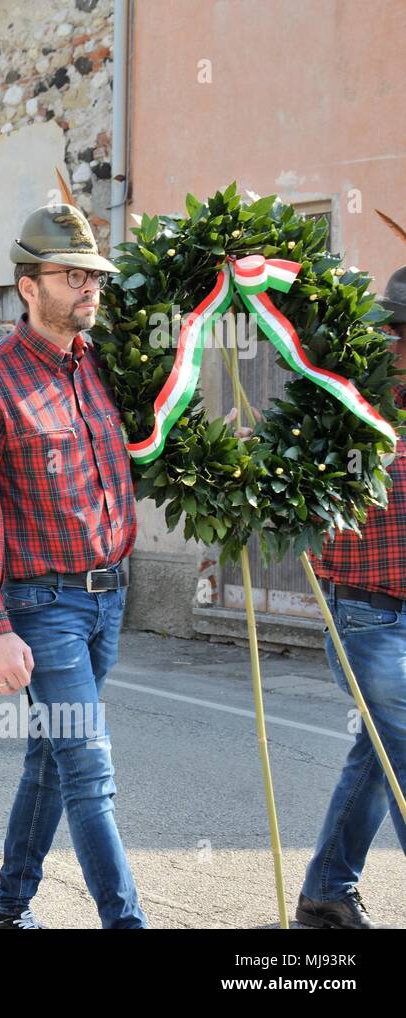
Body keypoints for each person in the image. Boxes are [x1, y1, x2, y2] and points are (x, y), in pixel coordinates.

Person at [0, 203, 144, 929]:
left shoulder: (99, 367)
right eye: (72, 275)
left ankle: (7, 911)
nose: (90, 286)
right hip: (43, 607)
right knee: (90, 769)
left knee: (51, 762)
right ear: (29, 286)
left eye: (93, 274)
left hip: (107, 600)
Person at [296, 265, 406, 929]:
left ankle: (326, 891)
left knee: (382, 753)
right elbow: (300, 483)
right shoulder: (350, 393)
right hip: (366, 611)